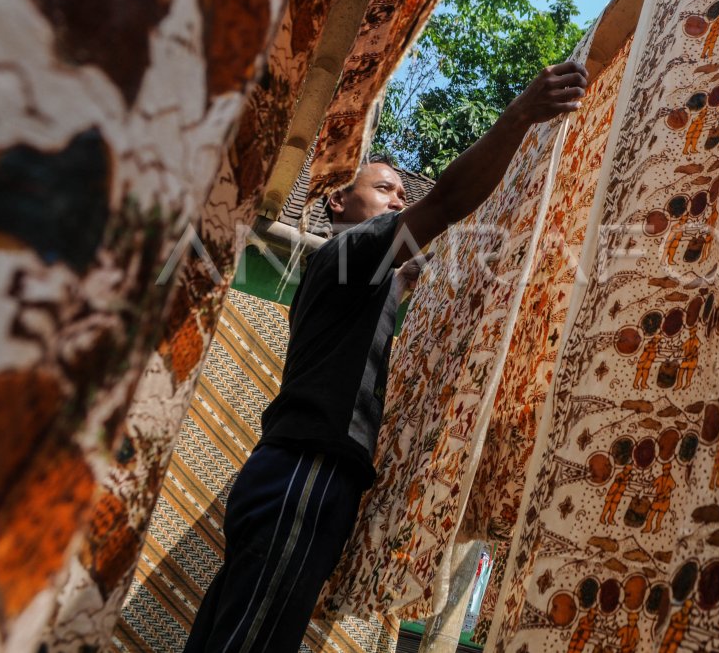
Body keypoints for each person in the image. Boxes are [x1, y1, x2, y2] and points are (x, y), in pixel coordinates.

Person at [184, 61, 589, 653]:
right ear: (336, 202)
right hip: (308, 471)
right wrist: (521, 113)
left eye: (402, 194)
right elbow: (446, 202)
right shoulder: (350, 250)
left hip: (286, 471)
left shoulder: (351, 281)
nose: (400, 200)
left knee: (232, 632)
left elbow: (407, 276)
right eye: (384, 190)